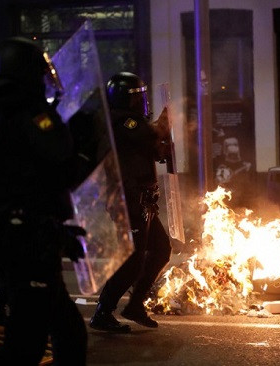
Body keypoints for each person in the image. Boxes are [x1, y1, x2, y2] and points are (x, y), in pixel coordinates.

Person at [0, 36, 88, 365]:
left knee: (69, 333)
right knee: (24, 347)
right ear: (26, 73)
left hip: (9, 232)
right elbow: (63, 170)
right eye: (40, 73)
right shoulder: (33, 115)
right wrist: (83, 145)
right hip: (29, 242)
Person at [88, 72, 173, 332]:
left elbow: (152, 148)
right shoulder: (123, 121)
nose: (142, 102)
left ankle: (135, 304)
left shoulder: (132, 124)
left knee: (160, 250)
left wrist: (161, 145)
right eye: (139, 98)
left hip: (143, 202)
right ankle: (103, 311)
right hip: (127, 202)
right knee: (134, 258)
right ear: (128, 100)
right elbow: (149, 134)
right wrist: (163, 124)